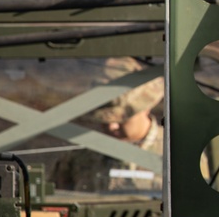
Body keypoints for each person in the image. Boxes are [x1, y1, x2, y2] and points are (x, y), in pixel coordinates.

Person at [52, 57, 164, 192]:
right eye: (105, 121)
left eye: (121, 119)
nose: (112, 127)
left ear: (146, 107)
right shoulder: (79, 157)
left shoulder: (176, 152)